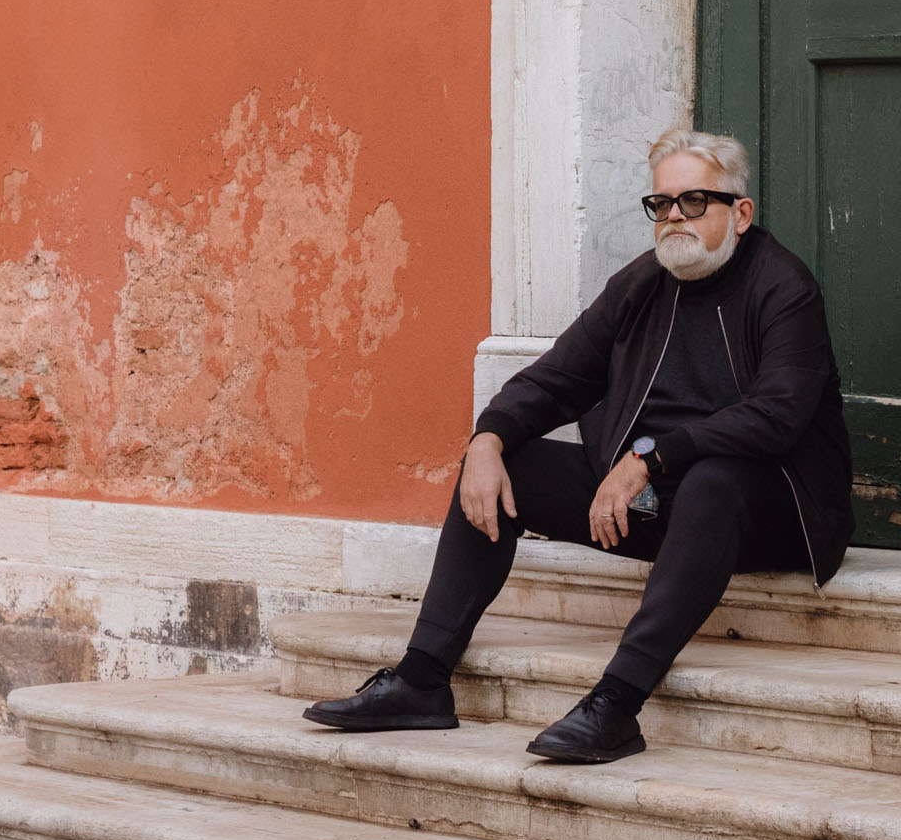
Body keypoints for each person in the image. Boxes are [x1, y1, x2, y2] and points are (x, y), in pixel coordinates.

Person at [304, 129, 854, 762]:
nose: (675, 217)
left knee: (713, 481)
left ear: (742, 212)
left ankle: (616, 705)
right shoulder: (642, 284)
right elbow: (556, 377)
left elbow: (777, 415)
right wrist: (486, 439)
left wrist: (651, 458)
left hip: (765, 510)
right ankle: (422, 679)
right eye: (662, 204)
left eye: (695, 201)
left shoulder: (783, 286)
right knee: (505, 463)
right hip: (648, 505)